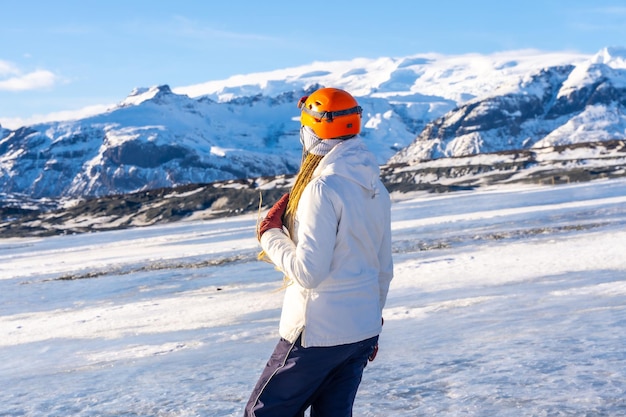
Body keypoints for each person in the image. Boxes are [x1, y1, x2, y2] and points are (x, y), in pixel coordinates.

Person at [244, 87, 394, 417]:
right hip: (361, 330)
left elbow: (309, 272)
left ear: (313, 131)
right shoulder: (374, 187)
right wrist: (372, 324)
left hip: (318, 333)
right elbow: (383, 268)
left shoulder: (323, 188)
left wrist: (269, 234)